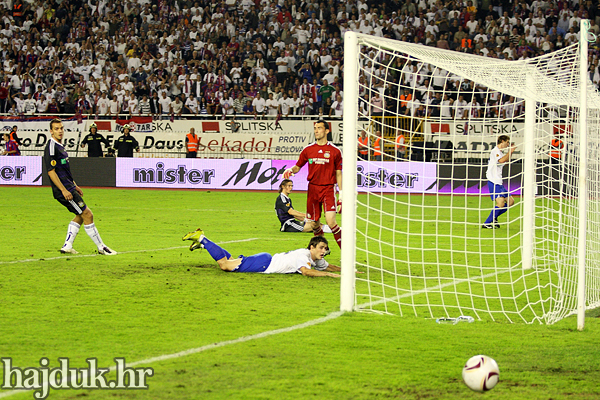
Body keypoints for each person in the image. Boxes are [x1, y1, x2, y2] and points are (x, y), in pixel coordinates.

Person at [44, 118, 117, 255]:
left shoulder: (59, 146)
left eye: (61, 128)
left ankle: (67, 245)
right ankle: (101, 247)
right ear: (51, 131)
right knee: (87, 214)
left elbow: (64, 170)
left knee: (80, 215)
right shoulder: (52, 147)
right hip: (64, 190)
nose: (60, 131)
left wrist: (75, 185)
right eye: (56, 129)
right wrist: (64, 190)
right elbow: (51, 171)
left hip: (69, 187)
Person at [283, 120, 342, 249]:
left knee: (331, 221)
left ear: (327, 131)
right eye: (315, 128)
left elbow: (339, 174)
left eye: (319, 128)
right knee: (314, 224)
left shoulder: (335, 151)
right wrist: (290, 170)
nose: (316, 131)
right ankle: (322, 251)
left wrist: (341, 195)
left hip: (328, 189)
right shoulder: (308, 149)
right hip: (313, 189)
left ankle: (347, 254)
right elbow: (298, 166)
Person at [182, 228, 340, 277]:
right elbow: (306, 271)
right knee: (224, 265)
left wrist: (349, 271)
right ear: (311, 247)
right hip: (264, 264)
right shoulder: (303, 256)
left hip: (265, 260)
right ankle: (202, 238)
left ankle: (203, 246)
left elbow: (328, 266)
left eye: (325, 249)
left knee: (230, 260)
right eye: (321, 248)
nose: (323, 251)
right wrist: (328, 275)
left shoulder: (313, 256)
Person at [483, 135, 516, 229]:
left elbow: (504, 160)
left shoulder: (500, 153)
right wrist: (511, 151)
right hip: (493, 181)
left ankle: (494, 216)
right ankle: (487, 223)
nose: (508, 144)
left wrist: (510, 153)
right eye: (507, 142)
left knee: (510, 201)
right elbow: (501, 161)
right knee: (500, 203)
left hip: (499, 181)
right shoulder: (495, 151)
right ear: (502, 141)